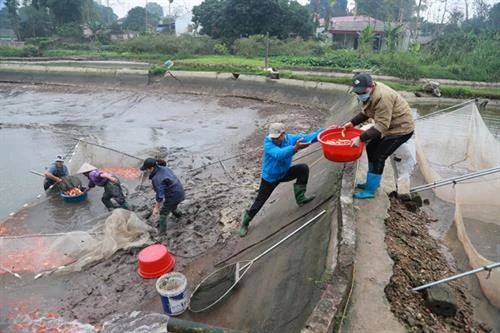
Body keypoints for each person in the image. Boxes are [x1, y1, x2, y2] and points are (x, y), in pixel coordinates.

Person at [239, 123, 324, 237]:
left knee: (303, 169)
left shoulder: (291, 139)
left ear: (284, 134)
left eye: (278, 137)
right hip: (270, 178)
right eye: (274, 137)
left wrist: (325, 132)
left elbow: (310, 137)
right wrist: (295, 148)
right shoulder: (268, 143)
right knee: (259, 203)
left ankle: (301, 198)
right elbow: (279, 154)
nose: (276, 139)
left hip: (284, 173)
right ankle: (246, 221)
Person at [344, 73, 414, 199]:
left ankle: (371, 190)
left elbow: (381, 125)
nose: (360, 95)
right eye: (357, 92)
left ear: (371, 86)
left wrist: (360, 138)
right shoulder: (370, 94)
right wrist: (352, 123)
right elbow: (367, 112)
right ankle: (370, 182)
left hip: (401, 129)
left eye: (362, 92)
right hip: (389, 126)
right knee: (371, 148)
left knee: (379, 156)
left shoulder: (383, 97)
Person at [140, 158, 185, 234]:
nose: (146, 171)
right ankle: (180, 215)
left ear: (151, 168)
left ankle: (162, 233)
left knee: (163, 214)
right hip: (180, 191)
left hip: (174, 196)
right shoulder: (165, 168)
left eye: (146, 169)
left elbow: (160, 196)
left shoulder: (156, 178)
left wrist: (156, 208)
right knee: (172, 206)